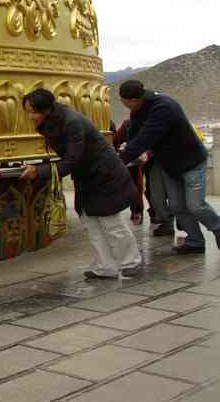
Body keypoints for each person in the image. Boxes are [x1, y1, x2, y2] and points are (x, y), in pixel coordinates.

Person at [21, 89, 142, 279]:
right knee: (90, 222)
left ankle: (130, 262)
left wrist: (39, 171)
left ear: (46, 109)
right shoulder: (53, 121)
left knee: (111, 222)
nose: (30, 117)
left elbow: (72, 160)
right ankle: (104, 267)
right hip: (87, 176)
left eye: (33, 112)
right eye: (27, 112)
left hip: (104, 175)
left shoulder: (71, 122)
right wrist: (38, 167)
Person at [117, 80, 216, 254]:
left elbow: (145, 138)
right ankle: (195, 242)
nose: (126, 107)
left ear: (132, 100)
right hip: (170, 165)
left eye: (125, 103)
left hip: (191, 162)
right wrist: (127, 151)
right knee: (177, 206)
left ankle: (218, 228)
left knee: (196, 205)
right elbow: (134, 135)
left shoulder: (163, 107)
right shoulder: (137, 110)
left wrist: (118, 163)